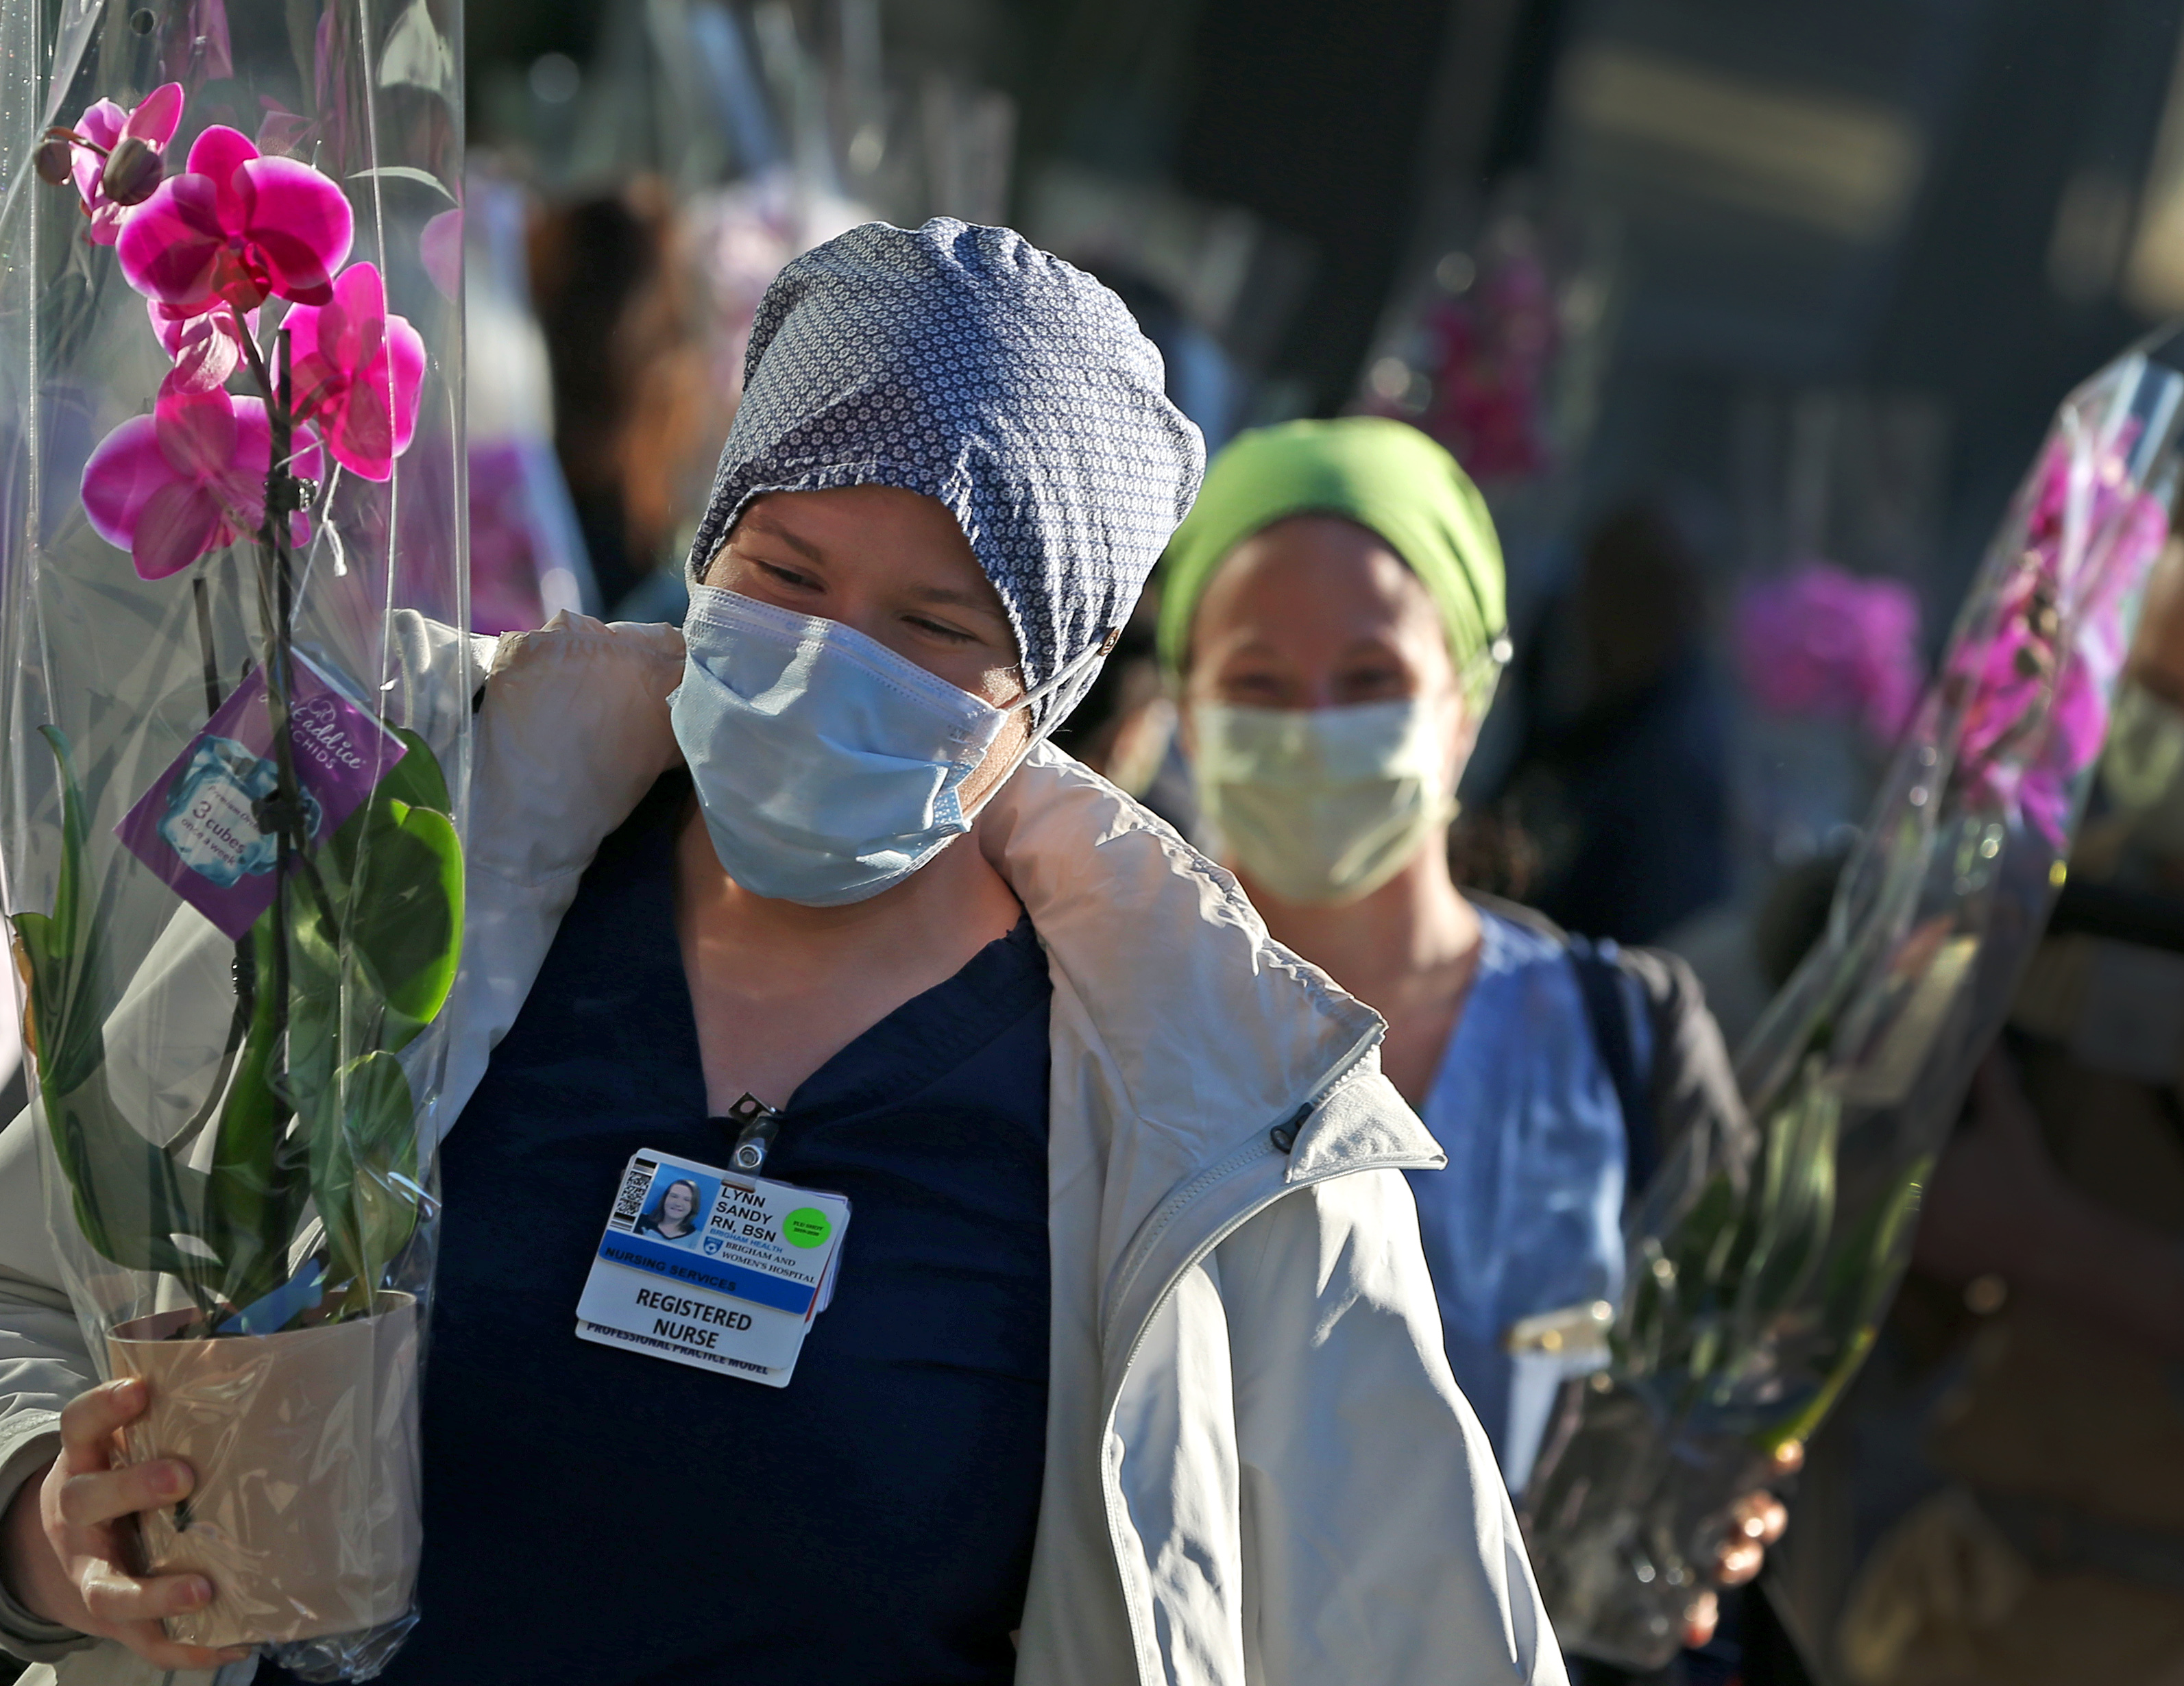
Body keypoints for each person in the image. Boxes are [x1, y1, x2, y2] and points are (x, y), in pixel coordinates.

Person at [0, 223, 1563, 1685]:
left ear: (1058, 690)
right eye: (788, 575)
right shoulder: (397, 865)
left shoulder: (1231, 1123)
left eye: (940, 628)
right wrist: (47, 1525)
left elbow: (1414, 1624)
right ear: (706, 549)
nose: (832, 660)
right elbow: (33, 1279)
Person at [1156, 417, 1788, 1675]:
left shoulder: (1626, 1045)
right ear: (1184, 707)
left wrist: (1720, 1512)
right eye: (1260, 685)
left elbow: (1718, 1421)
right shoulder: (1093, 1026)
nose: (1314, 724)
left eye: (1372, 680)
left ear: (1469, 700)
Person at [635, 1178, 703, 1243]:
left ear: (694, 1205)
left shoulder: (698, 1239)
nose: (678, 1204)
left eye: (687, 1200)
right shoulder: (639, 1221)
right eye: (674, 1196)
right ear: (665, 1198)